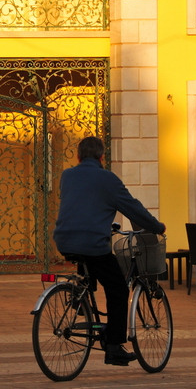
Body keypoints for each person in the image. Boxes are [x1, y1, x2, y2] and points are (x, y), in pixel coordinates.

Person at [52, 136, 166, 366]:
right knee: (117, 289)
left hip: (64, 241)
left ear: (78, 156)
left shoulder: (67, 176)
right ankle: (114, 346)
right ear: (102, 157)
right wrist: (157, 226)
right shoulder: (108, 179)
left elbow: (80, 203)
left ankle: (80, 297)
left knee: (92, 266)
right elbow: (133, 208)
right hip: (92, 244)